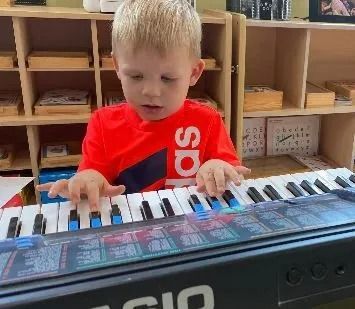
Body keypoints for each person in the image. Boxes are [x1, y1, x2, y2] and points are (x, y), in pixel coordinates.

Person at [37, 0, 249, 210]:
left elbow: (232, 174)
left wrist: (218, 168)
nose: (151, 91)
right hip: (127, 229)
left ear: (194, 73)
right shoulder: (102, 123)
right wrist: (86, 182)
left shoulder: (207, 120)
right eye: (136, 76)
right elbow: (93, 176)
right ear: (118, 66)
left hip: (192, 226)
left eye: (167, 78)